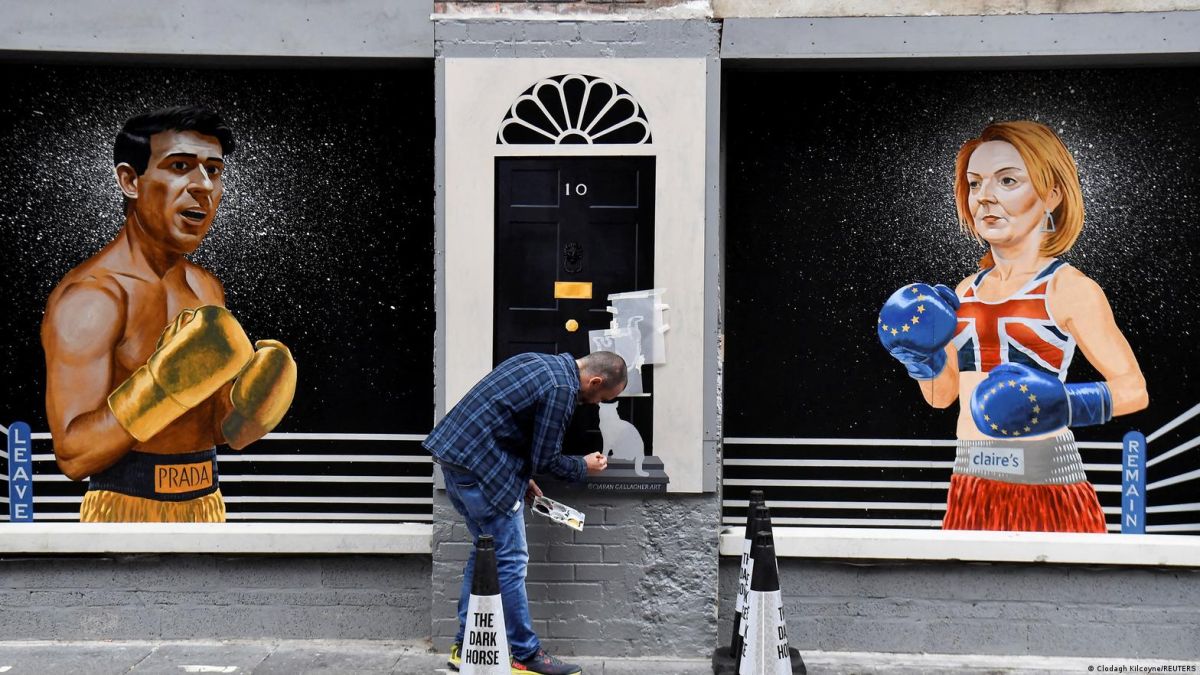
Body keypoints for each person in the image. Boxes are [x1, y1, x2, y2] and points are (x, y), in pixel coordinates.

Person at [877, 120, 1148, 532]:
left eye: (1007, 180)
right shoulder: (963, 292)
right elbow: (943, 396)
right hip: (970, 482)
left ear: (1052, 193)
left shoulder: (1068, 288)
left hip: (1047, 485)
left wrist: (1062, 404)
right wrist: (921, 358)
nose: (984, 197)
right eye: (974, 183)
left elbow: (1133, 390)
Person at [41, 105, 297, 523]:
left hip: (208, 503)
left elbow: (210, 428)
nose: (202, 186)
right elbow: (73, 455)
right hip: (123, 510)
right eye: (181, 166)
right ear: (129, 180)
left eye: (214, 171)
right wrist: (159, 386)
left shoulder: (206, 288)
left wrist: (251, 411)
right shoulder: (93, 298)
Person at [425, 351, 627, 675]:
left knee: (486, 555)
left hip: (458, 461)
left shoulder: (536, 361)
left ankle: (466, 648)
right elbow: (547, 459)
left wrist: (522, 476)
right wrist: (583, 466)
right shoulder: (562, 390)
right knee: (512, 560)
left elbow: (503, 424)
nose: (596, 404)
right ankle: (525, 653)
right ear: (595, 381)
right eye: (602, 397)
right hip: (482, 471)